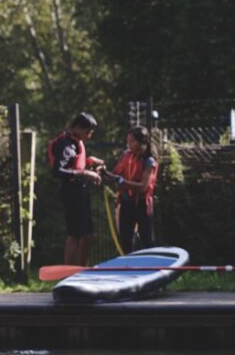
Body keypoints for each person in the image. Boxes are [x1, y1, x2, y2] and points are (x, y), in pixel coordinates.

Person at [49, 112, 105, 266]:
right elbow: (57, 171)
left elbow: (74, 163)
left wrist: (89, 162)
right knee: (75, 235)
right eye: (88, 131)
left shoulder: (76, 142)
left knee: (88, 236)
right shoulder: (66, 144)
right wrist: (85, 173)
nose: (90, 135)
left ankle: (81, 271)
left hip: (81, 191)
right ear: (78, 128)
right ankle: (68, 275)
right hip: (71, 192)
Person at [105, 125, 158, 253]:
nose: (129, 144)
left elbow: (142, 187)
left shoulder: (149, 161)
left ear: (142, 143)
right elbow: (114, 174)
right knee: (126, 239)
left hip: (142, 204)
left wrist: (122, 182)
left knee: (147, 239)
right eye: (128, 141)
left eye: (132, 141)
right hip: (126, 202)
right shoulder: (126, 155)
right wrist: (102, 172)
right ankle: (128, 267)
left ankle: (152, 268)